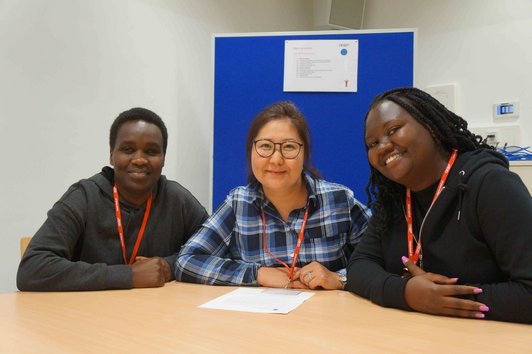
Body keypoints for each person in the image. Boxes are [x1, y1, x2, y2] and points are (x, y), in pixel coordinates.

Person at [346, 87, 532, 324]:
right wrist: (406, 293)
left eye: (393, 130)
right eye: (372, 144)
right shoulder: (394, 198)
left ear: (430, 125)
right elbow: (359, 267)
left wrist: (438, 300)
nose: (382, 147)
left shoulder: (490, 184)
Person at [176, 101, 370, 289]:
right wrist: (257, 274)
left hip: (328, 318)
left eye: (289, 147)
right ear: (251, 151)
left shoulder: (339, 201)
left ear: (305, 154)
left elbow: (382, 262)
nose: (276, 159)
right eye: (266, 146)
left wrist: (339, 278)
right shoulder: (238, 204)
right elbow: (187, 261)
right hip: (261, 320)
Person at [17, 107, 208, 291]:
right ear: (111, 156)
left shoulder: (177, 199)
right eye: (128, 149)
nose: (140, 159)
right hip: (87, 316)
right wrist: (128, 275)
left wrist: (169, 266)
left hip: (157, 316)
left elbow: (215, 252)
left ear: (163, 159)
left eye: (151, 151)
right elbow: (32, 269)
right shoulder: (84, 197)